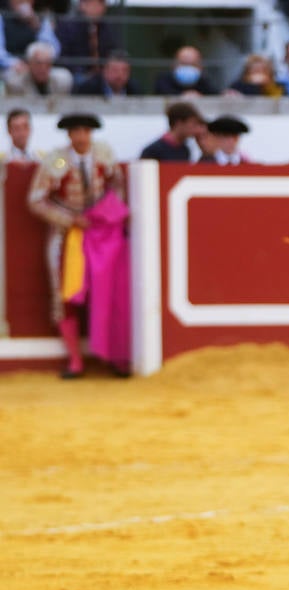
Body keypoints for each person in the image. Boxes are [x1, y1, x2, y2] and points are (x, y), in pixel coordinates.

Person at [28, 112, 128, 379]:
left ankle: (111, 356)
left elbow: (118, 186)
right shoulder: (59, 159)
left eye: (85, 131)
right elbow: (36, 199)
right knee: (65, 294)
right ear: (69, 135)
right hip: (66, 236)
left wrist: (107, 214)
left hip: (100, 234)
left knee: (106, 292)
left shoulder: (104, 154)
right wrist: (69, 219)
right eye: (76, 131)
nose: (81, 136)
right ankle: (75, 360)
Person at [54, 0, 118, 79]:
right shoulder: (68, 26)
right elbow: (62, 57)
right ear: (82, 5)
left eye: (101, 4)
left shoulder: (106, 28)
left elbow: (112, 52)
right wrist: (81, 71)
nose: (99, 8)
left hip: (102, 74)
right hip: (76, 73)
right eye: (93, 4)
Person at [139, 101, 205, 161]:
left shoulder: (185, 150)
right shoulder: (152, 151)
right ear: (179, 123)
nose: (197, 129)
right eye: (193, 124)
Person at [5, 40, 74, 96]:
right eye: (38, 63)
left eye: (47, 64)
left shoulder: (63, 81)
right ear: (29, 63)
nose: (43, 68)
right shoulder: (16, 84)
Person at [152, 44, 219, 96]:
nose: (188, 68)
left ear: (200, 67)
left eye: (192, 64)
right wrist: (181, 95)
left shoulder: (203, 81)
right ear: (174, 65)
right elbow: (163, 92)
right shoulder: (163, 80)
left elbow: (215, 94)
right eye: (184, 64)